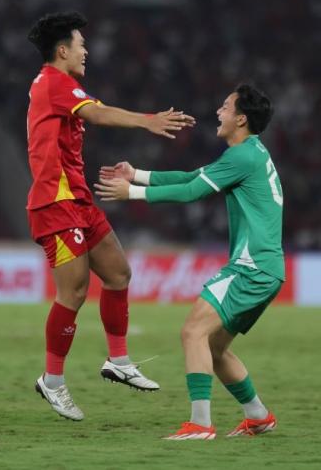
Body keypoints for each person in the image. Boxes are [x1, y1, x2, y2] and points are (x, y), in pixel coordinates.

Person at [26, 11, 195, 421]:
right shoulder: (54, 83)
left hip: (78, 199)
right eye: (81, 45)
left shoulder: (62, 86)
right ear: (62, 50)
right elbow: (98, 114)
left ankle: (117, 361)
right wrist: (147, 121)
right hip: (55, 202)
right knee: (75, 292)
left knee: (118, 273)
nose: (87, 52)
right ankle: (53, 380)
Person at [95, 83, 283, 439]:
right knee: (213, 346)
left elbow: (191, 192)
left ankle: (200, 424)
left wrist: (132, 193)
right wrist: (137, 174)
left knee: (192, 332)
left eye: (225, 106)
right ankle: (257, 415)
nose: (219, 111)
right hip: (266, 268)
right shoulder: (250, 153)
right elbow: (193, 177)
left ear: (241, 118)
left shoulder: (242, 156)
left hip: (251, 266)